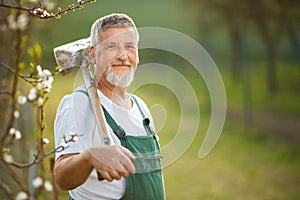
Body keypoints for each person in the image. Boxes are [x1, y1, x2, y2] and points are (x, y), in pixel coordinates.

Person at [53, 13, 165, 200]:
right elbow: (62, 178)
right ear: (92, 54)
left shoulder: (141, 107)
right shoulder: (78, 104)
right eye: (111, 46)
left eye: (129, 47)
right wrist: (90, 157)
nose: (123, 56)